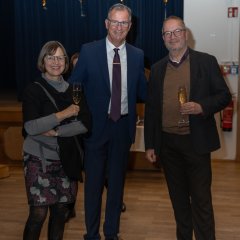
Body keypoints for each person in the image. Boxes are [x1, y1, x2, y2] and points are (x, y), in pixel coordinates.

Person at [144, 16, 232, 240]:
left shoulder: (206, 61)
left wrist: (202, 106)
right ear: (163, 38)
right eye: (167, 33)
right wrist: (150, 144)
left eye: (176, 31)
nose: (172, 37)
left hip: (196, 143)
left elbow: (224, 96)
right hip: (168, 145)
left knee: (201, 201)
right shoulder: (156, 69)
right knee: (179, 201)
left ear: (186, 34)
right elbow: (152, 110)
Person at [69, 3, 147, 240]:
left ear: (130, 26)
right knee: (92, 188)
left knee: (116, 187)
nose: (119, 27)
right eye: (115, 21)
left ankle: (111, 233)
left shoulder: (137, 55)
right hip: (95, 130)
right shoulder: (88, 51)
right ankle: (91, 235)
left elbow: (145, 93)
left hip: (122, 128)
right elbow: (74, 86)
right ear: (106, 23)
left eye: (124, 22)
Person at [22, 40, 91, 240]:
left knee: (61, 213)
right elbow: (31, 127)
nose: (55, 61)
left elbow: (85, 123)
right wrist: (64, 114)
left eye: (60, 57)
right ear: (42, 61)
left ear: (66, 62)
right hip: (38, 159)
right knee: (38, 214)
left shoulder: (74, 90)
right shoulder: (33, 89)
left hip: (67, 159)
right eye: (50, 57)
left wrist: (56, 131)